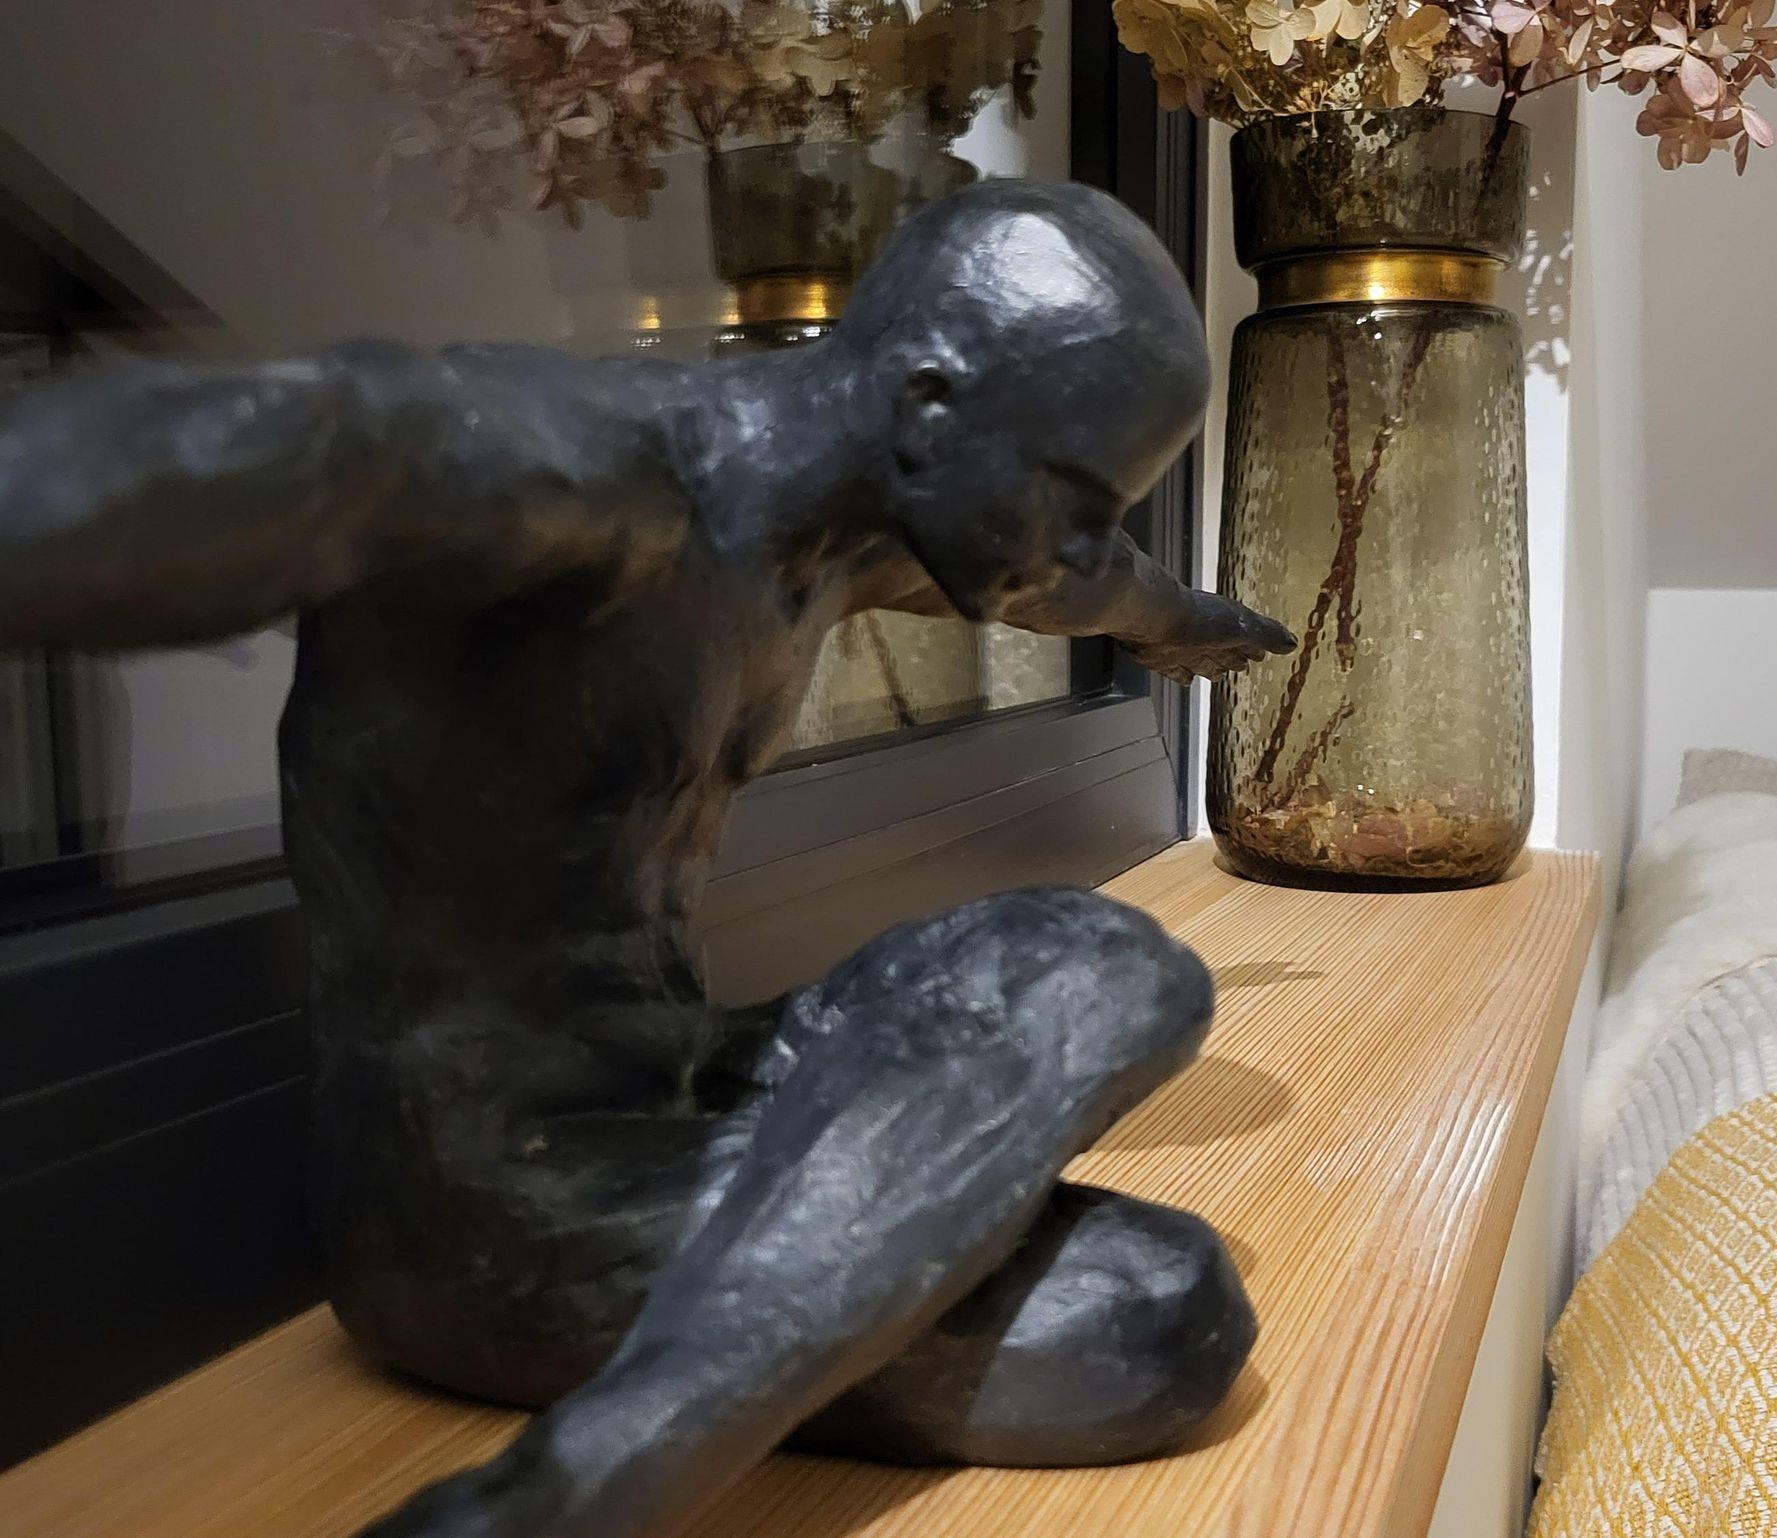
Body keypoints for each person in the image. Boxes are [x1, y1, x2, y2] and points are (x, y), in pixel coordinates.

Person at [0, 179, 1294, 1537]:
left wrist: (1193, 621)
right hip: (482, 1198)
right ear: (927, 409)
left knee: (1115, 980)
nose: (1084, 542)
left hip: (681, 1082)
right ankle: (565, 1498)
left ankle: (594, 1462)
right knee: (1147, 1312)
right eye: (1079, 496)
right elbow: (313, 450)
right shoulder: (591, 484)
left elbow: (1090, 584)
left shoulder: (843, 538)